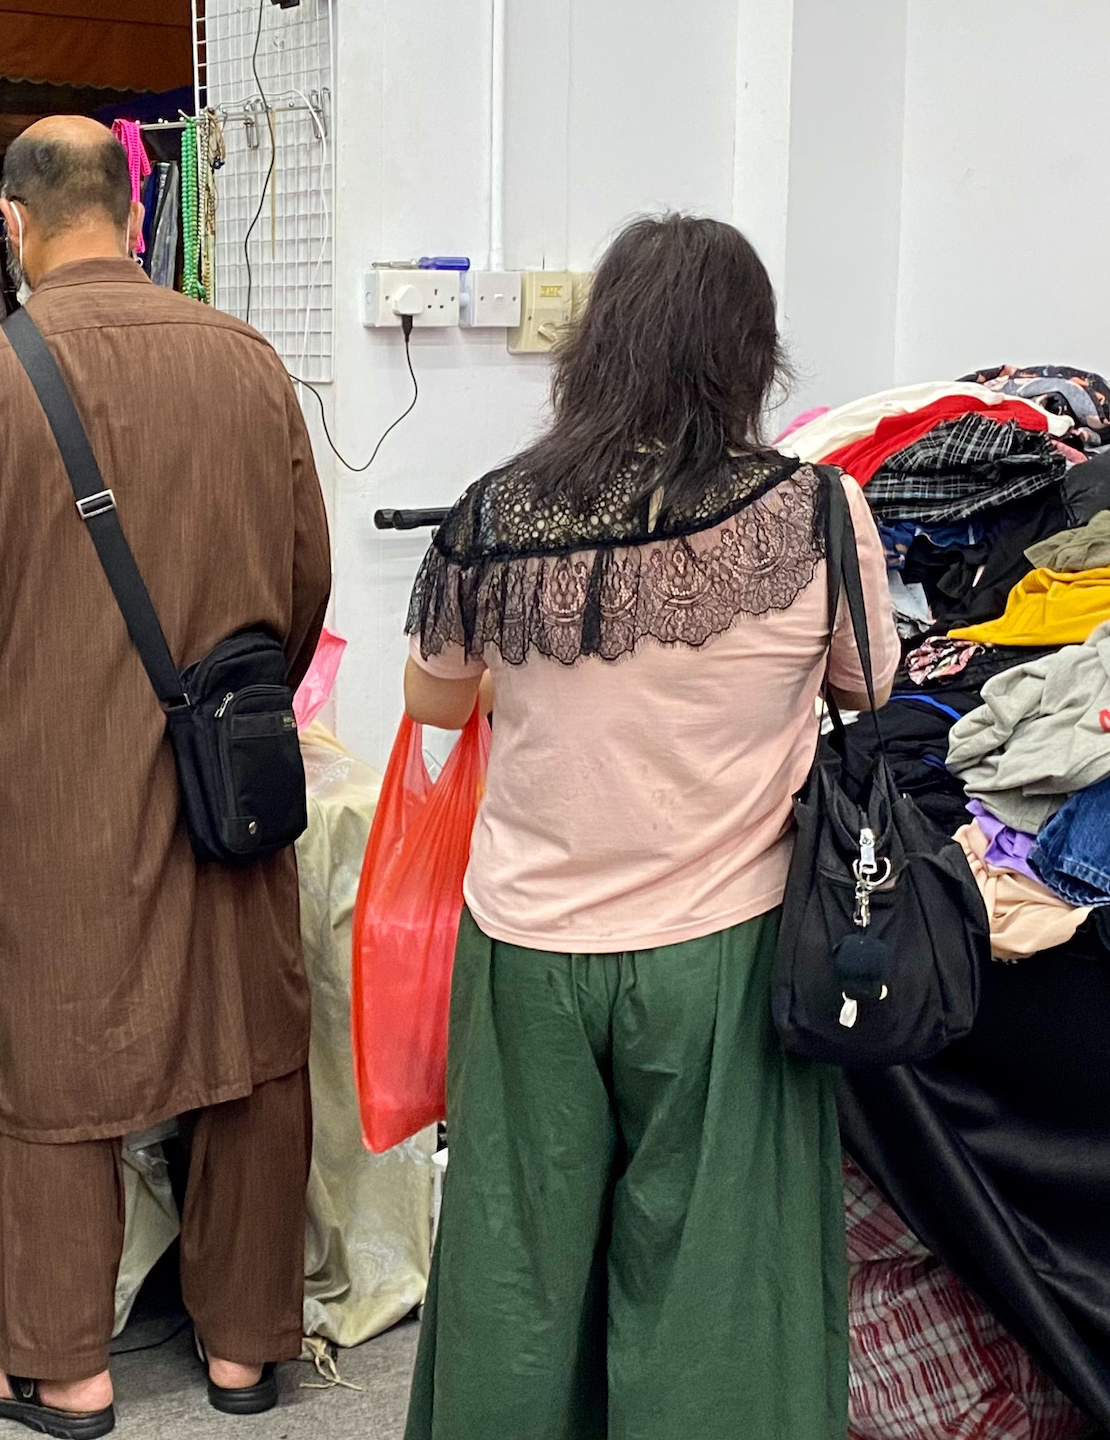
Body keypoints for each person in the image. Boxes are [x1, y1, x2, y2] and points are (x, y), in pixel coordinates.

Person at [399, 214, 898, 1440]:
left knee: (515, 1275)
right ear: (751, 355)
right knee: (712, 1293)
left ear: (596, 344)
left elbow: (434, 702)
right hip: (721, 948)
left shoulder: (496, 514)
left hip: (527, 943)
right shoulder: (814, 513)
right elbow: (867, 686)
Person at [0, 116, 331, 1437]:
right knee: (247, 1049)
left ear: (12, 227)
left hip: (46, 790)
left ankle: (63, 1368)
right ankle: (245, 1349)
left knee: (49, 1058)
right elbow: (303, 588)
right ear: (136, 213)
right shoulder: (249, 363)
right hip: (226, 782)